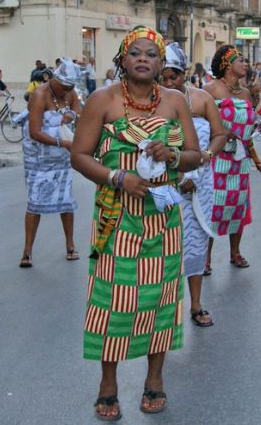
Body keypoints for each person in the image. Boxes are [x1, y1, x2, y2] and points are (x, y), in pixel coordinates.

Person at [71, 26, 201, 419]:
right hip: (116, 219)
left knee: (161, 300)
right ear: (122, 60)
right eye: (135, 53)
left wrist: (174, 157)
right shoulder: (102, 100)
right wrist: (117, 178)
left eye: (152, 54)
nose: (143, 59)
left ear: (162, 64)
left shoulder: (177, 101)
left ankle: (154, 381)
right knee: (112, 301)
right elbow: (80, 155)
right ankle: (108, 383)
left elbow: (195, 154)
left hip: (163, 220)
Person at [159, 43, 226, 328]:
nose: (167, 82)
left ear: (184, 73)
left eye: (172, 76)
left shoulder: (202, 99)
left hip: (200, 184)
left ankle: (196, 304)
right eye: (162, 77)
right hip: (165, 185)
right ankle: (165, 308)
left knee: (195, 241)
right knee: (163, 245)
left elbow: (219, 135)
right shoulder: (153, 101)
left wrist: (204, 158)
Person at [203, 46, 261, 269]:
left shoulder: (246, 93)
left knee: (238, 206)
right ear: (227, 64)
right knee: (213, 207)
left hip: (239, 160)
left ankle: (235, 252)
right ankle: (206, 258)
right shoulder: (210, 90)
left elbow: (249, 120)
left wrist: (258, 126)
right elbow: (199, 124)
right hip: (217, 159)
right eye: (241, 60)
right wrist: (219, 131)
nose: (245, 64)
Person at [20, 58, 83, 268]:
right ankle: (27, 251)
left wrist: (70, 115)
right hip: (38, 156)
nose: (66, 91)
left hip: (61, 157)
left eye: (70, 87)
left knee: (66, 200)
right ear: (54, 79)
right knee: (35, 201)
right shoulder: (40, 94)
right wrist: (61, 141)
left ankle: (70, 246)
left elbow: (79, 113)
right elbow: (34, 132)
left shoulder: (70, 92)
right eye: (63, 86)